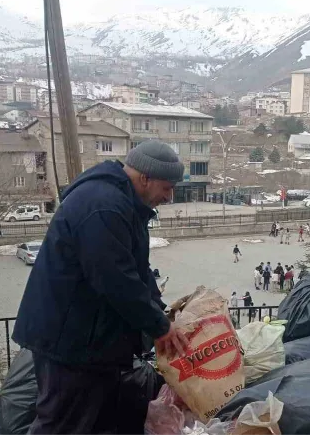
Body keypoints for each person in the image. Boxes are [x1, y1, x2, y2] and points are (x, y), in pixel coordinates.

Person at [12, 141, 189, 434]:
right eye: (167, 187)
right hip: (69, 344)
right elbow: (115, 278)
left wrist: (160, 312)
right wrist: (159, 327)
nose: (169, 197)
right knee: (61, 424)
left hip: (93, 343)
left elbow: (137, 269)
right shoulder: (103, 205)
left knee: (97, 422)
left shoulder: (125, 203)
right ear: (145, 178)